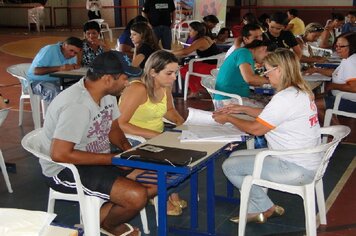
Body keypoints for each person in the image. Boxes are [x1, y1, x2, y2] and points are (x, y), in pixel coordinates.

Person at [39, 51, 148, 235]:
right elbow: (60, 154)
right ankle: (109, 225)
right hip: (65, 169)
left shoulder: (107, 94)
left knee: (155, 180)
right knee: (137, 196)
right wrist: (113, 160)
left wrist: (128, 153)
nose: (127, 83)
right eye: (124, 78)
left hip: (96, 160)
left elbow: (113, 130)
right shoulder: (77, 105)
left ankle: (96, 220)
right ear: (107, 79)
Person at [213, 49, 321, 224]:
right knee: (236, 156)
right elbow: (273, 115)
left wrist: (229, 118)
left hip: (293, 167)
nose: (265, 75)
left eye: (267, 70)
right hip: (307, 159)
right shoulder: (300, 91)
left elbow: (256, 130)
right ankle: (260, 207)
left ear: (279, 70)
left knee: (230, 166)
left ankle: (264, 206)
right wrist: (242, 109)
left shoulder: (285, 98)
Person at [118, 50, 186, 216]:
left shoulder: (165, 86)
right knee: (168, 158)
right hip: (131, 138)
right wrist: (155, 136)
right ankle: (157, 194)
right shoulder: (138, 89)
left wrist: (182, 125)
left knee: (184, 152)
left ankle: (166, 191)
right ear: (153, 72)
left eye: (175, 72)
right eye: (169, 73)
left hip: (155, 136)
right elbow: (120, 124)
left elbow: (169, 110)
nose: (174, 78)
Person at [305, 32, 356, 123]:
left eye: (341, 46)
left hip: (350, 101)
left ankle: (336, 132)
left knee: (312, 104)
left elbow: (354, 87)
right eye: (336, 46)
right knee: (312, 98)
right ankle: (336, 127)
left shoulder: (351, 62)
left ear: (352, 46)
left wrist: (333, 86)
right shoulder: (350, 59)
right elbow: (337, 73)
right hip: (344, 97)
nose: (337, 49)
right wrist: (317, 70)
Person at [215, 40, 269, 107]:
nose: (266, 60)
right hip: (228, 100)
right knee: (269, 108)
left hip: (233, 96)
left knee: (268, 99)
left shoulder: (244, 53)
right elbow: (249, 79)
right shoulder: (244, 53)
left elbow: (252, 81)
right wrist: (270, 80)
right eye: (267, 56)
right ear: (263, 48)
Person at [27, 37, 83, 103]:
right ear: (64, 45)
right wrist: (59, 68)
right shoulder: (49, 50)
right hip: (36, 82)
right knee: (54, 91)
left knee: (79, 90)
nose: (72, 54)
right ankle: (55, 113)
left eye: (75, 53)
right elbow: (36, 71)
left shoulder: (73, 56)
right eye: (71, 50)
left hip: (58, 81)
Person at [173, 21, 220, 98]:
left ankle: (195, 91)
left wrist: (171, 53)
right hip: (213, 65)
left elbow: (186, 51)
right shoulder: (206, 38)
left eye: (190, 30)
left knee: (183, 70)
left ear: (196, 31)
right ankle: (200, 88)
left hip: (209, 67)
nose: (189, 33)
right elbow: (188, 52)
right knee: (188, 67)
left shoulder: (200, 41)